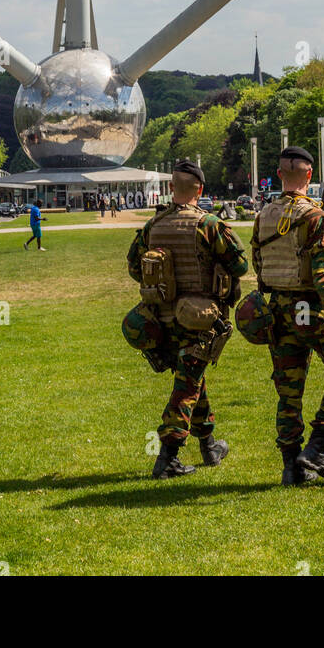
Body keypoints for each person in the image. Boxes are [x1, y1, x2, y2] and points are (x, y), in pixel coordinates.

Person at [236, 145, 324, 487]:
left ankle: (292, 467)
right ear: (310, 176)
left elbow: (258, 264)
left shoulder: (264, 217)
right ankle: (318, 447)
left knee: (289, 393)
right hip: (314, 312)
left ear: (279, 175)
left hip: (279, 313)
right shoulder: (316, 218)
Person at [123, 159, 248, 480]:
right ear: (200, 190)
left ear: (170, 188)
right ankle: (167, 457)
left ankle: (209, 445)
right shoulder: (208, 224)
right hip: (199, 321)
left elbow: (135, 268)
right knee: (187, 385)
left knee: (192, 378)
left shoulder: (154, 225)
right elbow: (239, 266)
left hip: (160, 319)